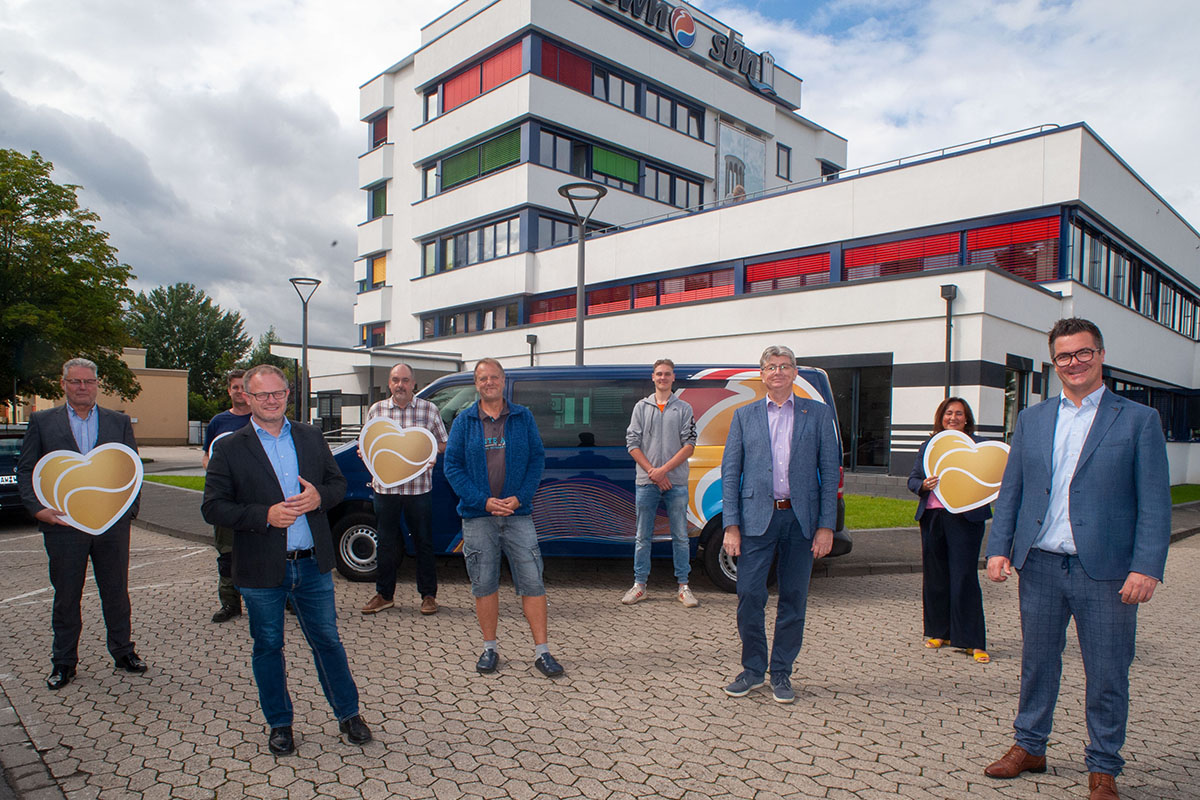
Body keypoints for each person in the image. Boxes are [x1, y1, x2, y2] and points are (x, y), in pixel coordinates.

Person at [983, 318, 1170, 800]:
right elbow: (1014, 490)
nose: (1074, 363)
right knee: (1037, 663)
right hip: (1041, 565)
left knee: (1107, 670)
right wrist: (999, 547)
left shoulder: (1138, 419)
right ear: (1054, 362)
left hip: (1106, 572)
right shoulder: (1034, 418)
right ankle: (1030, 746)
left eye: (1083, 353)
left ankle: (1103, 767)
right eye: (1064, 356)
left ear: (1100, 354)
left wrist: (1146, 565)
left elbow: (1154, 501)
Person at [201, 364, 371, 755]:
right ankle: (280, 724)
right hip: (261, 566)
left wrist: (319, 499)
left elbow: (337, 484)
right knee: (268, 646)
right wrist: (263, 515)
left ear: (288, 396)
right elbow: (213, 507)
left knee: (327, 641)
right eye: (262, 395)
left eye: (279, 393)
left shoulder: (311, 437)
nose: (272, 400)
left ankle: (348, 715)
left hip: (311, 563)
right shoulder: (229, 447)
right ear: (246, 396)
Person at [17, 357, 148, 690]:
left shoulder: (117, 422)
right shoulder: (43, 422)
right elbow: (26, 470)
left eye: (88, 382)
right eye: (75, 382)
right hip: (63, 525)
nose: (82, 387)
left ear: (97, 384)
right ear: (64, 384)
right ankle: (63, 662)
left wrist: (128, 510)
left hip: (111, 527)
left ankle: (123, 652)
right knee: (66, 596)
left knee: (116, 592)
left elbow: (131, 470)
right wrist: (37, 509)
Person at [720, 345, 840, 704]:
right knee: (749, 596)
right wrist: (731, 525)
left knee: (794, 599)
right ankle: (753, 670)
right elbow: (730, 473)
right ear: (762, 374)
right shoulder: (744, 416)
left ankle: (782, 672)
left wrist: (826, 526)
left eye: (785, 366)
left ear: (794, 373)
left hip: (800, 521)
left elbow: (830, 471)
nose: (778, 371)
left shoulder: (817, 415)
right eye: (771, 366)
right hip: (757, 520)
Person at [442, 358, 562, 678]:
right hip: (478, 516)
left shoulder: (523, 417)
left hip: (518, 514)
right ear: (476, 383)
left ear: (504, 381)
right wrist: (483, 501)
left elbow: (537, 460)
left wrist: (520, 497)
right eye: (483, 378)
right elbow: (452, 467)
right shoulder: (463, 421)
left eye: (494, 377)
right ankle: (489, 649)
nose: (489, 382)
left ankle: (542, 652)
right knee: (484, 584)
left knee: (532, 581)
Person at [908, 397, 991, 663]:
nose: (953, 418)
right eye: (948, 413)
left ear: (967, 419)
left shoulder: (977, 446)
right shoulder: (929, 445)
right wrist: (923, 485)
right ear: (940, 417)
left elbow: (990, 477)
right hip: (933, 516)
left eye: (959, 414)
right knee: (935, 575)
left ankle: (973, 640)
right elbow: (913, 479)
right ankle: (938, 631)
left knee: (964, 576)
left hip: (965, 519)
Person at [360, 363, 447, 616]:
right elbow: (366, 444)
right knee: (386, 543)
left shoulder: (429, 410)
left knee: (423, 542)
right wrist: (364, 453)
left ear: (413, 383)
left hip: (418, 489)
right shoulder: (377, 410)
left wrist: (431, 453)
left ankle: (428, 596)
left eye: (405, 380)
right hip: (385, 489)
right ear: (389, 383)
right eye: (396, 380)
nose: (400, 385)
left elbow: (443, 443)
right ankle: (384, 595)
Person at [622, 358, 699, 607]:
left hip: (675, 481)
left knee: (680, 535)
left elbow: (689, 445)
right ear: (652, 377)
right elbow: (632, 444)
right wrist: (652, 472)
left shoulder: (684, 408)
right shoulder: (641, 408)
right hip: (646, 481)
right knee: (642, 536)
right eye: (659, 374)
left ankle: (684, 586)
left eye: (667, 374)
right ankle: (639, 585)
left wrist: (663, 471)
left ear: (673, 377)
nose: (663, 378)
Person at [202, 368, 252, 623]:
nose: (240, 392)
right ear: (229, 390)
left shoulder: (261, 418)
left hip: (256, 499)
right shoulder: (218, 423)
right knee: (228, 554)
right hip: (226, 500)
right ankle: (230, 603)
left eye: (244, 387)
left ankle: (282, 599)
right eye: (235, 387)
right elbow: (207, 456)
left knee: (270, 551)